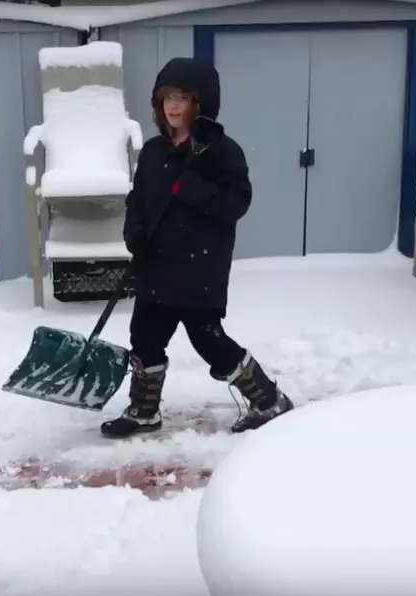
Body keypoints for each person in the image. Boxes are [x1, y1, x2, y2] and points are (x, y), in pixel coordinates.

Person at [101, 57, 294, 439]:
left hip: (198, 266)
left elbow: (236, 203)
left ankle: (268, 400)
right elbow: (137, 199)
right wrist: (134, 230)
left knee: (208, 339)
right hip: (156, 263)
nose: (173, 106)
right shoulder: (154, 152)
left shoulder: (221, 152)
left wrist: (191, 189)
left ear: (201, 103)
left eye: (183, 98)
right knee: (145, 335)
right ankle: (143, 411)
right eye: (167, 97)